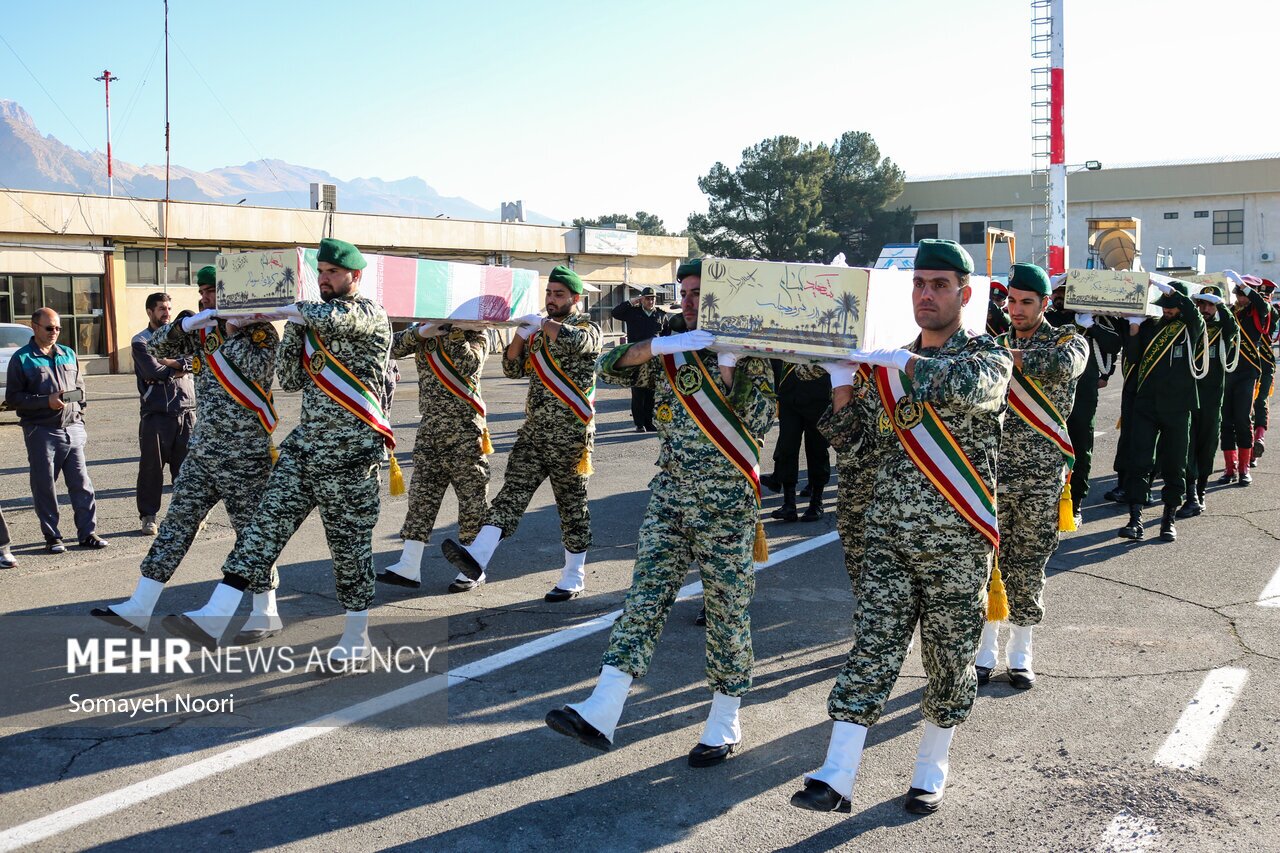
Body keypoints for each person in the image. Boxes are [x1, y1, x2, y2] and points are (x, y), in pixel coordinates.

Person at [789, 239, 1011, 816]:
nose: (927, 295)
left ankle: (931, 767)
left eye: (939, 285)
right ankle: (836, 773)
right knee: (873, 646)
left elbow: (969, 389)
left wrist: (900, 363)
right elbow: (856, 445)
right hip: (887, 532)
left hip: (955, 539)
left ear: (965, 293)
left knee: (948, 658)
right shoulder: (889, 363)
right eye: (919, 284)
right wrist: (841, 381)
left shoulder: (985, 356)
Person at [545, 258, 775, 766]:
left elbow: (757, 421)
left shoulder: (751, 357)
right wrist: (661, 345)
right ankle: (604, 707)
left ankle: (725, 717)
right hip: (670, 494)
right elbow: (606, 368)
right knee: (645, 597)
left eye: (702, 293)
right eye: (687, 293)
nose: (692, 302)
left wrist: (730, 364)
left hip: (726, 503)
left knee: (726, 612)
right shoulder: (673, 350)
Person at [161, 239, 393, 667]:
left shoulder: (368, 314)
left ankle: (357, 635)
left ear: (354, 277)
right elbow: (290, 379)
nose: (324, 279)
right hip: (305, 448)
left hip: (351, 453)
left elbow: (330, 315)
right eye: (320, 271)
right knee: (263, 529)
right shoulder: (312, 320)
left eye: (332, 273)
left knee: (348, 549)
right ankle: (217, 612)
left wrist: (289, 311)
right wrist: (293, 330)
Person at [91, 266, 283, 641]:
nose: (205, 298)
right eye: (203, 292)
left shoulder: (262, 335)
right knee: (177, 524)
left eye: (212, 293)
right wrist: (188, 325)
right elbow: (157, 347)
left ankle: (266, 612)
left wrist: (231, 329)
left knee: (251, 534)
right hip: (203, 451)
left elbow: (260, 371)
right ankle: (140, 606)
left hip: (245, 454)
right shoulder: (201, 331)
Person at [439, 265, 602, 601]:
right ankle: (476, 560)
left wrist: (542, 323)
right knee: (509, 497)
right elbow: (512, 368)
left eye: (559, 294)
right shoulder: (541, 333)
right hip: (533, 435)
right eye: (549, 293)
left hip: (571, 439)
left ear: (575, 297)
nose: (552, 299)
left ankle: (574, 574)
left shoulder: (587, 327)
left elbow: (583, 343)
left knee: (572, 507)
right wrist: (521, 335)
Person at [977, 263, 1086, 690]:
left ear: (1044, 303)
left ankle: (1020, 652)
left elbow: (1065, 366)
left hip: (1042, 476)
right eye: (1012, 301)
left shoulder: (1068, 341)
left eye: (1026, 302)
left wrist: (1006, 358)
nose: (1016, 310)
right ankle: (985, 651)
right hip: (993, 473)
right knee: (988, 566)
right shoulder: (991, 344)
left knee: (1029, 562)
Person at [377, 320, 491, 589]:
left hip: (465, 429)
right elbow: (390, 347)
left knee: (472, 498)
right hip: (430, 429)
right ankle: (409, 564)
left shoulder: (478, 335)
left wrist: (457, 333)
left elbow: (468, 365)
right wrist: (421, 332)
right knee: (421, 496)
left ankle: (473, 567)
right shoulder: (426, 332)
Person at [5, 308, 108, 552]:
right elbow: (13, 398)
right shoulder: (22, 359)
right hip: (41, 430)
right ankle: (53, 537)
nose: (55, 332)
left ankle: (87, 533)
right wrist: (45, 401)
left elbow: (79, 389)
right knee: (45, 487)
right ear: (34, 326)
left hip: (72, 429)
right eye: (49, 328)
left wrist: (79, 415)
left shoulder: (68, 353)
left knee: (82, 484)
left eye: (58, 328)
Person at [1117, 278, 1206, 541]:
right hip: (1146, 404)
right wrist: (1133, 327)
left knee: (1175, 464)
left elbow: (1194, 316)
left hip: (1178, 406)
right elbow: (1133, 357)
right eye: (1164, 306)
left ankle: (1168, 520)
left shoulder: (1189, 328)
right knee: (1139, 460)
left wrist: (1175, 294)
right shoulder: (1153, 327)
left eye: (1172, 306)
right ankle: (1135, 519)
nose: (1167, 311)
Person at [1044, 282, 1123, 525]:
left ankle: (1075, 501)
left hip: (1082, 393)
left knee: (1080, 447)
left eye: (1064, 293)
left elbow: (1115, 344)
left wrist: (1091, 325)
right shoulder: (1047, 319)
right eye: (1055, 292)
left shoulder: (1092, 320)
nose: (1059, 297)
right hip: (1050, 394)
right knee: (1048, 447)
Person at [133, 292, 196, 535]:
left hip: (187, 412)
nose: (166, 313)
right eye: (161, 308)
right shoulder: (141, 341)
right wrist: (177, 366)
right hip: (156, 414)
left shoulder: (181, 337)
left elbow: (195, 362)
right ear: (150, 312)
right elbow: (154, 370)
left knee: (187, 470)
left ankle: (185, 517)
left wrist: (170, 362)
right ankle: (148, 517)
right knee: (151, 470)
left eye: (169, 308)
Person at [1178, 285, 1238, 517]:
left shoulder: (1222, 329)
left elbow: (1232, 326)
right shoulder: (1188, 327)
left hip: (1212, 399)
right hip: (1188, 398)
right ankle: (1191, 493)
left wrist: (1223, 305)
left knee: (1207, 447)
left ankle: (1200, 490)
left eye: (1210, 304)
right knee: (1188, 446)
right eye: (1201, 303)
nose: (1205, 308)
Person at [760, 361, 831, 521]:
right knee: (787, 447)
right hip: (789, 392)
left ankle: (816, 503)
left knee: (817, 448)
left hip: (818, 392)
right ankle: (789, 504)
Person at [1219, 271, 1271, 484]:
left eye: (1244, 293)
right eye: (1238, 293)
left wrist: (1244, 284)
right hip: (1227, 372)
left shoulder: (1257, 311)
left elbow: (1262, 304)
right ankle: (1229, 469)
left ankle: (1244, 469)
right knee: (1226, 422)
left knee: (1242, 419)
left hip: (1248, 373)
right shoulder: (1231, 312)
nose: (1241, 298)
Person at [611, 286, 669, 431]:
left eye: (653, 298)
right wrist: (631, 302)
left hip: (653, 357)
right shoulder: (632, 312)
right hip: (635, 357)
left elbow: (667, 335)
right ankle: (639, 424)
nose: (651, 301)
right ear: (641, 299)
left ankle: (649, 423)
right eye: (648, 298)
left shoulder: (660, 315)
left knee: (651, 391)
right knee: (637, 391)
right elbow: (615, 313)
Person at [1249, 278, 1277, 464]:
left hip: (1259, 365)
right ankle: (1253, 444)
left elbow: (1271, 315)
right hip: (1253, 365)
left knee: (1257, 404)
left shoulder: (1268, 310)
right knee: (1253, 407)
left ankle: (1255, 444)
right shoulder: (1245, 311)